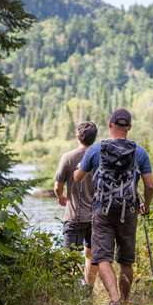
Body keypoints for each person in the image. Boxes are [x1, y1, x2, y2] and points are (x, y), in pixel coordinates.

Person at [74, 108, 153, 305]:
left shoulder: (95, 150)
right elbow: (150, 185)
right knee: (126, 260)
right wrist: (145, 205)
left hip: (102, 210)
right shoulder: (140, 152)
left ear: (110, 125)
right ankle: (125, 304)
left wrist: (77, 169)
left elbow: (78, 177)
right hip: (129, 211)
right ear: (129, 127)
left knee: (102, 258)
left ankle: (115, 301)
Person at [54, 121, 99, 290]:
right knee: (92, 254)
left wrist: (61, 197)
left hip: (73, 216)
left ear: (77, 136)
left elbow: (57, 186)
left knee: (69, 258)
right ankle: (88, 289)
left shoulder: (67, 157)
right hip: (96, 216)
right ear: (94, 138)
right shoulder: (99, 158)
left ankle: (69, 292)